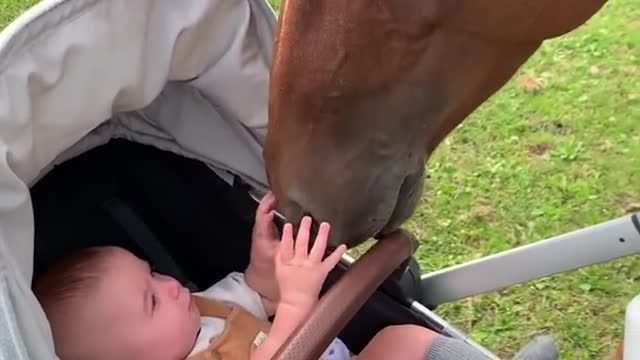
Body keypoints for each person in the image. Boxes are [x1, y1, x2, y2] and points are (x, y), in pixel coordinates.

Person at [33, 192, 555, 360]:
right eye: (151, 300)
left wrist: (264, 262)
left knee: (400, 339)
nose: (170, 285)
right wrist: (301, 304)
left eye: (152, 274)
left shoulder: (201, 308)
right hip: (310, 339)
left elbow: (256, 293)